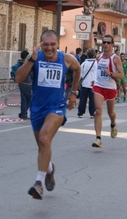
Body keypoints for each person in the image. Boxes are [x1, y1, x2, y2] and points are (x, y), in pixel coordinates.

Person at [15, 30, 81, 200]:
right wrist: (31, 59)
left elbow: (77, 69)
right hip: (37, 108)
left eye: (53, 44)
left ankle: (38, 183)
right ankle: (49, 169)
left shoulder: (65, 59)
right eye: (46, 44)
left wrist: (74, 92)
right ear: (40, 44)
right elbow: (18, 78)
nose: (49, 48)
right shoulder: (35, 58)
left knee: (45, 139)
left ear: (58, 44)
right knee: (42, 146)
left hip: (56, 107)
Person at [92, 35, 124, 148]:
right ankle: (98, 139)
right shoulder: (98, 57)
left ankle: (113, 123)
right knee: (98, 111)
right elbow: (97, 71)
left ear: (112, 45)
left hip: (110, 88)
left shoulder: (115, 58)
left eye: (108, 42)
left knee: (111, 113)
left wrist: (110, 73)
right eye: (104, 42)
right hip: (98, 86)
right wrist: (93, 80)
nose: (105, 44)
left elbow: (121, 75)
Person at [77, 48, 97, 119]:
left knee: (83, 99)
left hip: (84, 83)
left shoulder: (84, 63)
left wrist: (78, 82)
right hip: (93, 84)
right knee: (92, 100)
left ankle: (80, 113)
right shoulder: (96, 63)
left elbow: (80, 74)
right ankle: (92, 113)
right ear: (94, 55)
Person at [13, 50, 33, 120]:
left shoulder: (19, 63)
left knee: (23, 99)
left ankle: (23, 113)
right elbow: (32, 74)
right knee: (30, 99)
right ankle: (24, 113)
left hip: (21, 83)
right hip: (28, 83)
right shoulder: (28, 64)